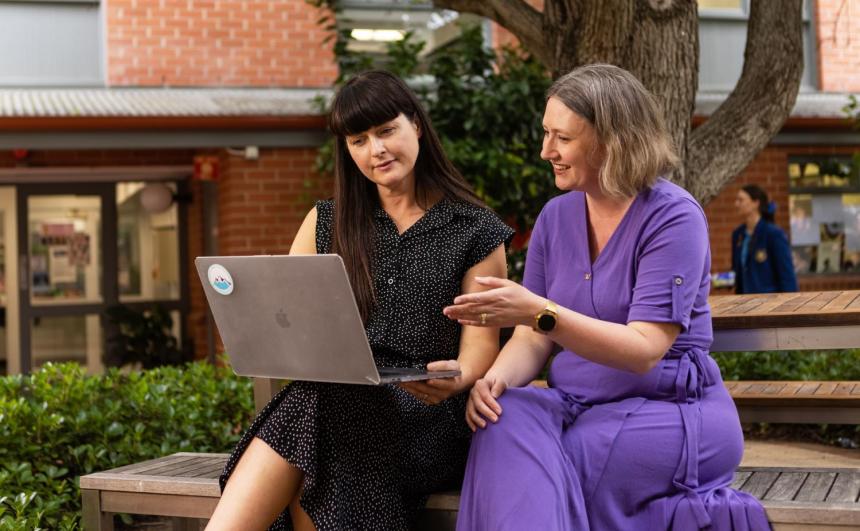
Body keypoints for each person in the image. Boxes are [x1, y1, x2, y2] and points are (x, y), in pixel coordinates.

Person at [444, 64, 770, 530]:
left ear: (611, 139)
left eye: (562, 138)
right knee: (502, 419)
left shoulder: (674, 217)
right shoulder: (556, 218)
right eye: (545, 134)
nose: (545, 151)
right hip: (578, 406)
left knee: (555, 465)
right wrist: (492, 383)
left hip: (670, 411)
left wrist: (540, 312)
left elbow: (643, 350)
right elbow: (532, 339)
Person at [206, 70, 513, 531]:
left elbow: (479, 354)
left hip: (427, 419)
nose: (377, 150)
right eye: (359, 140)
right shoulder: (326, 221)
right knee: (329, 405)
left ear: (417, 126)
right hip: (334, 405)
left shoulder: (475, 231)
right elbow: (287, 326)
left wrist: (453, 378)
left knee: (321, 415)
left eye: (387, 131)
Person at [732, 184, 798, 293]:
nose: (736, 204)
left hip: (769, 305)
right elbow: (739, 273)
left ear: (755, 203)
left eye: (741, 200)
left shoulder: (774, 234)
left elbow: (787, 278)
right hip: (743, 305)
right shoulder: (738, 235)